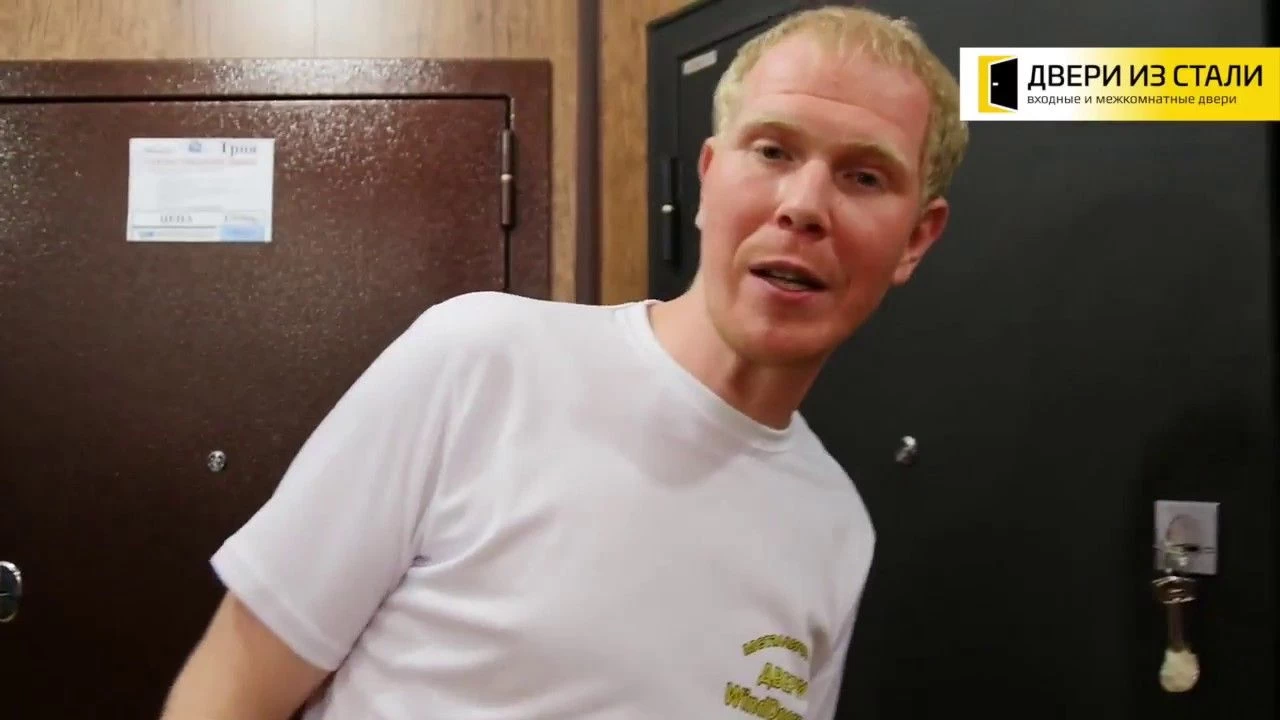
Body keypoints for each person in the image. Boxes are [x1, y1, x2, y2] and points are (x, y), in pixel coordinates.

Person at [160, 5, 968, 719]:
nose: (803, 206)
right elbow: (234, 686)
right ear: (710, 178)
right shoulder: (481, 361)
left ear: (916, 239)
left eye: (864, 176)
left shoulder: (835, 529)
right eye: (773, 151)